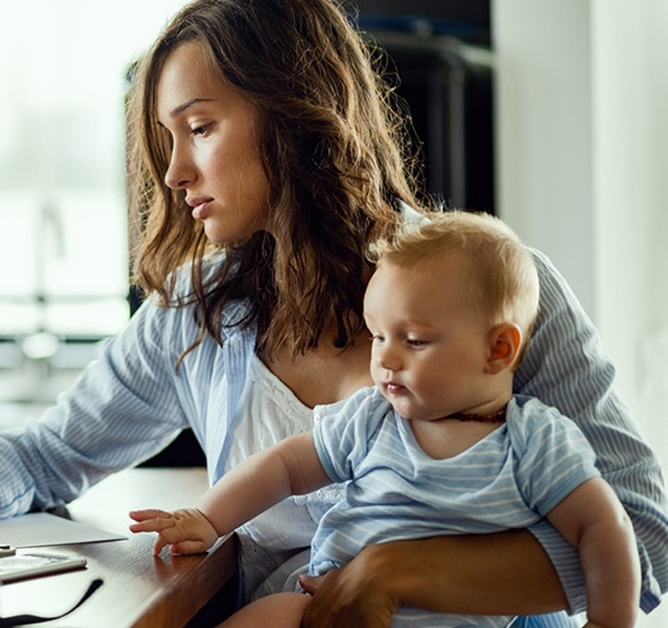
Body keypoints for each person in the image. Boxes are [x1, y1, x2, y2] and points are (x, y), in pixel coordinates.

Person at [0, 0, 668, 627]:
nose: (174, 174)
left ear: (296, 116)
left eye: (201, 129)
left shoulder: (502, 292)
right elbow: (45, 455)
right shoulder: (197, 310)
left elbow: (644, 538)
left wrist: (395, 573)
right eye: (166, 140)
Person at [130, 211, 639, 628]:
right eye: (378, 336)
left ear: (498, 348)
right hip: (328, 607)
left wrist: (608, 620)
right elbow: (284, 466)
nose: (386, 360)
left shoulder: (533, 441)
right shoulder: (374, 418)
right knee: (273, 615)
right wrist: (208, 518)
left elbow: (606, 525)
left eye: (413, 340)